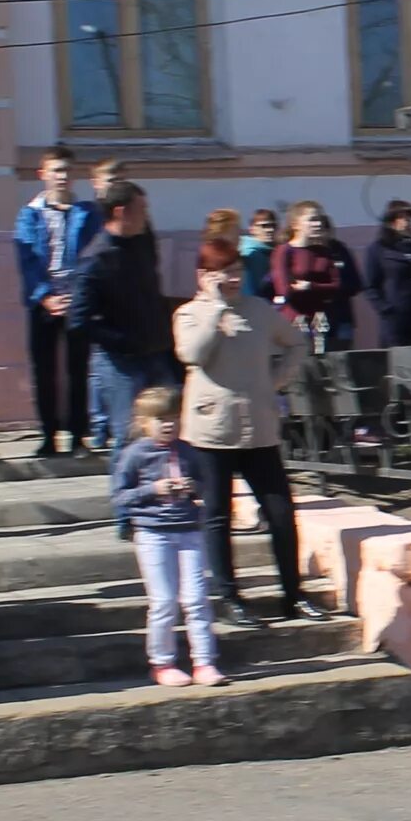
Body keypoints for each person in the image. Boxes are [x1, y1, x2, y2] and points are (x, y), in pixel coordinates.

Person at [174, 233, 331, 630]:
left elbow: (296, 343)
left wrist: (276, 380)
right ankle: (229, 596)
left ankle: (293, 595)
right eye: (222, 272)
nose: (231, 278)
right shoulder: (190, 314)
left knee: (280, 512)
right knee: (217, 516)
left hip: (259, 427)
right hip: (212, 430)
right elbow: (192, 354)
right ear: (203, 276)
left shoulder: (259, 310)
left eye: (236, 270)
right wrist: (215, 311)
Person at [109, 386, 221, 688]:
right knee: (164, 601)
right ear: (145, 422)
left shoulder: (188, 450)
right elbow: (119, 497)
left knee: (196, 599)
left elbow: (207, 487)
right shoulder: (134, 454)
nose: (168, 424)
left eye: (173, 417)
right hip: (152, 534)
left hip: (189, 531)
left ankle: (204, 661)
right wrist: (153, 490)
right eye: (161, 419)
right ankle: (162, 663)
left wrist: (192, 488)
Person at [68, 180, 173, 453]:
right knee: (130, 437)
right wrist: (121, 341)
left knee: (171, 428)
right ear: (120, 212)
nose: (147, 215)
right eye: (141, 209)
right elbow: (79, 321)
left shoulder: (143, 243)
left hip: (157, 352)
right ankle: (126, 493)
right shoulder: (95, 260)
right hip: (121, 363)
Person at [12, 147, 101, 459]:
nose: (62, 177)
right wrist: (45, 297)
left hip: (76, 300)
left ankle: (78, 435)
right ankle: (48, 434)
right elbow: (27, 260)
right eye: (55, 170)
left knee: (78, 370)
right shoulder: (30, 215)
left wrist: (78, 295)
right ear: (43, 174)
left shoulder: (87, 213)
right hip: (44, 303)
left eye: (66, 170)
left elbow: (92, 256)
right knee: (44, 370)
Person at [275, 201, 360, 353]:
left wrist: (310, 286)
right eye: (312, 220)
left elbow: (336, 286)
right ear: (296, 224)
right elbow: (285, 291)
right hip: (296, 322)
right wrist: (320, 291)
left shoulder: (323, 251)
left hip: (321, 322)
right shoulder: (285, 251)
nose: (318, 224)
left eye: (319, 219)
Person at [364, 199, 411, 348]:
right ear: (390, 221)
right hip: (396, 318)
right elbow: (370, 286)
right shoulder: (378, 249)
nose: (406, 222)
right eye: (401, 218)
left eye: (409, 218)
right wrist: (386, 309)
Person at [240, 207, 281, 304]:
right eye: (264, 226)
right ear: (252, 229)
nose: (270, 230)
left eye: (273, 226)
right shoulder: (249, 254)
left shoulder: (276, 252)